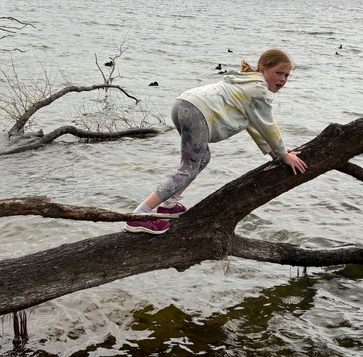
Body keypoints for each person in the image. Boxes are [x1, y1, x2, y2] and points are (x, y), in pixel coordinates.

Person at [125, 48, 308, 234]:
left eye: (286, 75)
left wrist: (274, 153)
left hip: (183, 103)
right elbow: (268, 125)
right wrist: (284, 155)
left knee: (202, 159)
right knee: (187, 170)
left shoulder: (246, 81)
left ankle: (169, 205)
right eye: (278, 73)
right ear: (262, 70)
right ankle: (138, 216)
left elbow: (255, 126)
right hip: (196, 112)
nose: (283, 79)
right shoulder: (259, 89)